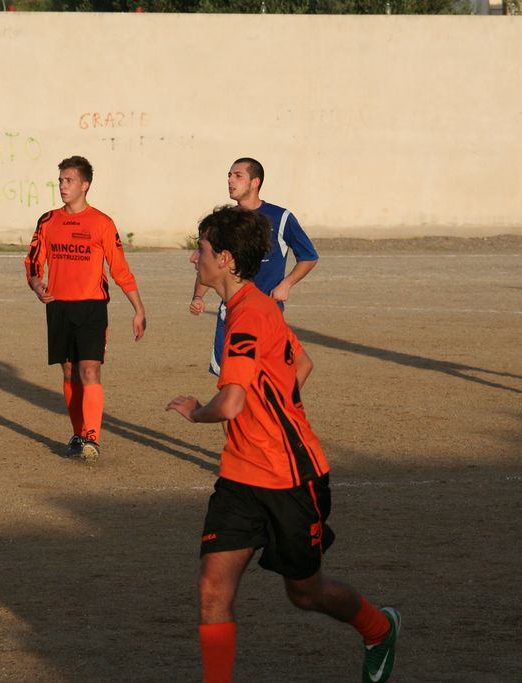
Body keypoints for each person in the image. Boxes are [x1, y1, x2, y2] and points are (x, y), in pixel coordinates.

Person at [167, 206, 399, 683]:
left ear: (226, 259)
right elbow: (302, 363)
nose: (194, 258)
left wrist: (197, 412)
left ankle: (380, 629)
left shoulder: (249, 316)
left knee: (305, 593)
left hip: (291, 478)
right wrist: (274, 406)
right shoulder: (249, 306)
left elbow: (231, 403)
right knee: (212, 591)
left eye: (201, 249)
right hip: (240, 477)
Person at [25, 156, 146, 461]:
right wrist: (37, 285)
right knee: (69, 372)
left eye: (69, 180)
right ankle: (79, 434)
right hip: (58, 307)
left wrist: (138, 309)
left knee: (89, 369)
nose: (63, 186)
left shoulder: (102, 223)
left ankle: (92, 438)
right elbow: (33, 262)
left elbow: (120, 269)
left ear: (85, 185)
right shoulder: (48, 221)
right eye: (61, 180)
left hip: (92, 307)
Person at [189, 158, 318, 375]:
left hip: (267, 312)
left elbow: (309, 256)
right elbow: (210, 263)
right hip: (230, 313)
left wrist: (286, 284)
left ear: (255, 182)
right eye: (229, 176)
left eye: (238, 176)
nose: (230, 180)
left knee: (266, 374)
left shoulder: (281, 217)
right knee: (232, 377)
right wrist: (198, 296)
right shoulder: (225, 222)